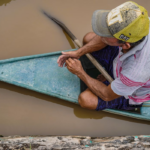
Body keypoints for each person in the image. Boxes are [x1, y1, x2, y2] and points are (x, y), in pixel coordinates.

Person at [57, 1, 150, 111]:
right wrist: (79, 53)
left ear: (125, 45)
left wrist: (80, 72)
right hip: (121, 62)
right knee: (88, 38)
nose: (101, 35)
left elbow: (107, 95)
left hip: (129, 92)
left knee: (86, 100)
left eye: (108, 34)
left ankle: (129, 105)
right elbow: (102, 36)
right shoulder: (140, 22)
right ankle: (112, 72)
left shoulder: (135, 73)